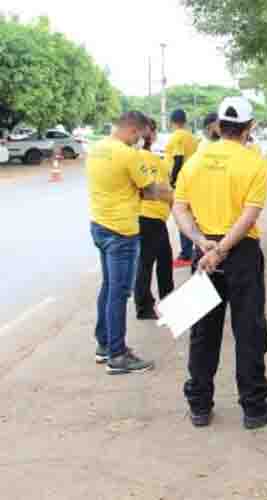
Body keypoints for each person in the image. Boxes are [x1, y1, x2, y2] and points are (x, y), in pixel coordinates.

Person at [172, 97, 267, 429]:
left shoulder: (195, 160)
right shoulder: (253, 162)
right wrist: (221, 250)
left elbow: (179, 207)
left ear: (219, 126)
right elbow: (249, 215)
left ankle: (199, 406)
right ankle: (254, 408)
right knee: (249, 330)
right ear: (249, 128)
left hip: (204, 251)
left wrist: (201, 242)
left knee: (202, 332)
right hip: (241, 252)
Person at [88, 111, 171, 374]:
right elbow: (151, 191)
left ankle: (104, 345)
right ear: (134, 130)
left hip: (99, 225)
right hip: (122, 231)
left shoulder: (96, 149)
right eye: (140, 136)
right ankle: (117, 354)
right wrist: (176, 196)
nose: (140, 141)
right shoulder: (128, 155)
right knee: (119, 292)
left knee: (108, 286)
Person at [134, 119, 174, 321]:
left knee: (145, 261)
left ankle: (145, 304)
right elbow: (165, 191)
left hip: (139, 216)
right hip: (153, 217)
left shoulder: (133, 157)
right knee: (162, 261)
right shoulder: (157, 161)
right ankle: (158, 304)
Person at [166, 109, 199, 268]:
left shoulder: (177, 136)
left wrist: (173, 180)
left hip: (181, 183)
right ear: (185, 121)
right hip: (194, 181)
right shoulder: (192, 138)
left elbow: (178, 159)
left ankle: (186, 254)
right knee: (194, 217)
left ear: (171, 121)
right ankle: (196, 249)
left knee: (182, 217)